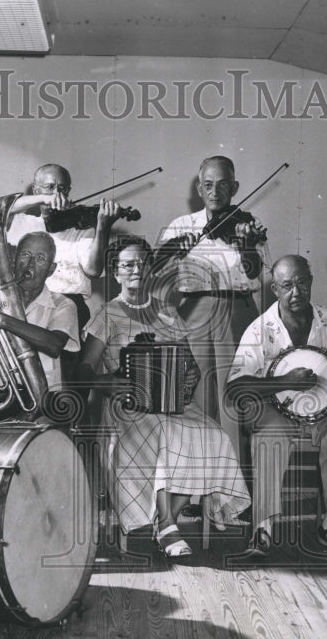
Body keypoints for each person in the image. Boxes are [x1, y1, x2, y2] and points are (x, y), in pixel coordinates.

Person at [78, 236, 251, 559]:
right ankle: (168, 524)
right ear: (114, 272)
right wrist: (107, 382)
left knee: (212, 434)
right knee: (168, 433)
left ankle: (166, 518)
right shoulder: (107, 313)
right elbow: (84, 369)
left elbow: (192, 366)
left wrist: (189, 376)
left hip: (172, 403)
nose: (136, 270)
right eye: (127, 265)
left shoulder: (168, 311)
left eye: (142, 263)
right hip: (126, 406)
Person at [226, 255, 327, 559]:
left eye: (302, 282)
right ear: (275, 288)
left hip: (324, 410)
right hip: (276, 409)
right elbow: (235, 386)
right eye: (287, 285)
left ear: (311, 281)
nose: (296, 292)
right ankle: (263, 528)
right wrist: (283, 382)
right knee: (269, 436)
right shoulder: (259, 329)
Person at [157, 156, 271, 456]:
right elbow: (154, 274)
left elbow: (255, 273)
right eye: (208, 185)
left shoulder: (247, 224)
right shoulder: (181, 226)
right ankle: (198, 490)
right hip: (193, 311)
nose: (215, 191)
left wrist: (245, 244)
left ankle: (235, 490)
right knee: (195, 395)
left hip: (235, 311)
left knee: (233, 397)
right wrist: (173, 252)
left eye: (223, 184)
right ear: (199, 188)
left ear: (235, 187)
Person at [0, 231, 79, 408]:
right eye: (25, 255)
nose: (30, 265)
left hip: (41, 397)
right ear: (13, 261)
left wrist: (4, 320)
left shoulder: (64, 305)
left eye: (40, 259)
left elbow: (54, 345)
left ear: (51, 269)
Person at [6, 163, 125, 332]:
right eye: (50, 187)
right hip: (26, 306)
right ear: (35, 191)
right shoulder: (23, 222)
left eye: (62, 189)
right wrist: (44, 199)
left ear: (68, 192)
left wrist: (102, 228)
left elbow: (93, 270)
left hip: (70, 306)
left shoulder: (80, 230)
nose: (56, 194)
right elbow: (1, 209)